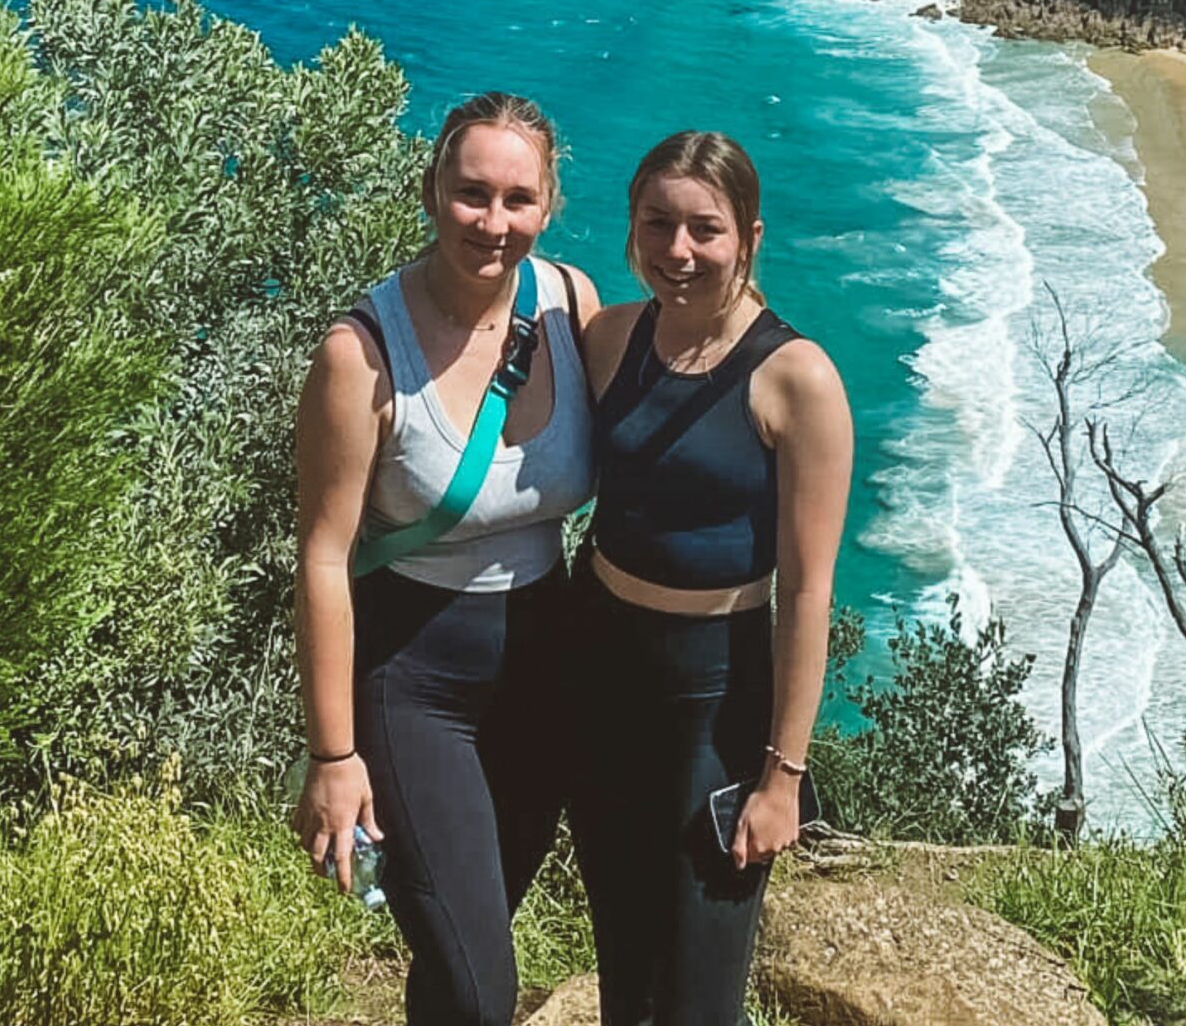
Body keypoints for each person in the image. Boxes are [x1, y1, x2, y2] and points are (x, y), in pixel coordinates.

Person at [293, 91, 600, 1026]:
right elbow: (321, 559)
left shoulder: (570, 303)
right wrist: (332, 754)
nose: (494, 223)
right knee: (476, 987)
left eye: (519, 200)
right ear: (431, 191)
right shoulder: (363, 354)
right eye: (473, 194)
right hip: (415, 678)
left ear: (549, 205)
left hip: (544, 678)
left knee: (464, 954)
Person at [571, 131, 854, 1026]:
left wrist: (782, 778)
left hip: (717, 694)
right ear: (632, 227)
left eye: (706, 229)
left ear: (751, 238)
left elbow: (808, 590)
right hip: (601, 668)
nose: (679, 251)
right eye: (658, 224)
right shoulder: (610, 337)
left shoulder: (796, 379)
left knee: (702, 978)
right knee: (624, 957)